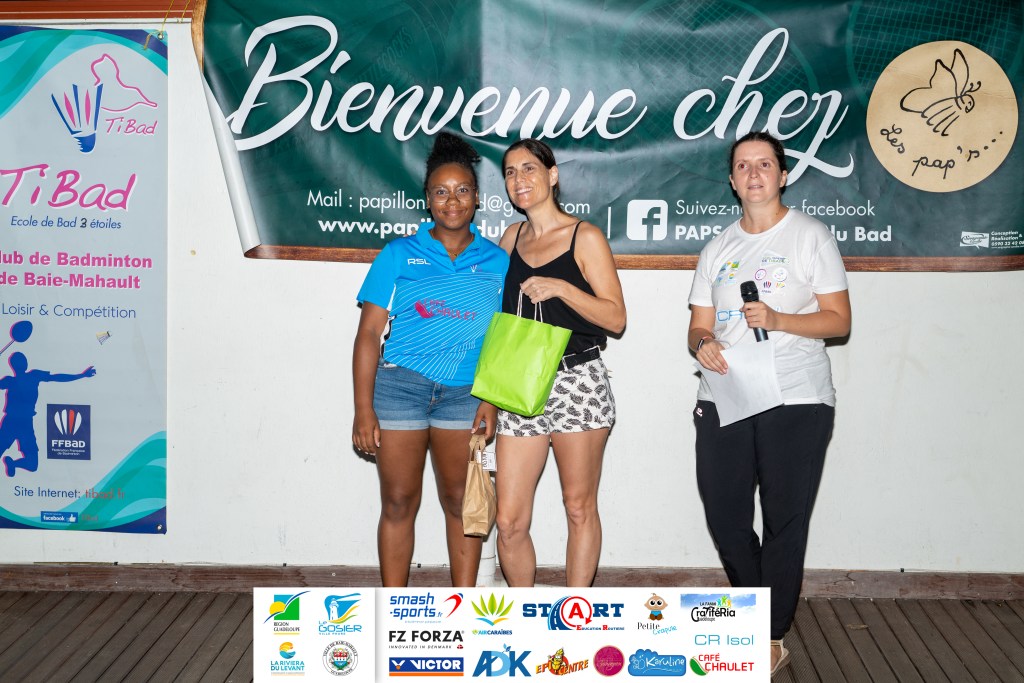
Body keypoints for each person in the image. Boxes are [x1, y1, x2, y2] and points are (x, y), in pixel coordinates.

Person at [687, 131, 851, 678]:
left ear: (783, 175)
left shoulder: (810, 236)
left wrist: (779, 319)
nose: (753, 173)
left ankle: (770, 635)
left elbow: (839, 320)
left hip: (796, 396)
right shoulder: (717, 248)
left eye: (764, 164)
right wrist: (703, 344)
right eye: (742, 166)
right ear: (732, 181)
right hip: (726, 394)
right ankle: (758, 614)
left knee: (784, 519)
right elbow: (697, 326)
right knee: (724, 514)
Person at [351, 132, 509, 587]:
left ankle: (464, 609)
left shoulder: (498, 261)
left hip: (465, 395)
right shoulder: (398, 254)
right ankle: (392, 610)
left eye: (462, 191)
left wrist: (491, 399)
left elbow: (502, 339)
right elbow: (368, 335)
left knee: (460, 502)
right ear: (427, 199)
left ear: (476, 198)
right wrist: (363, 409)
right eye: (441, 192)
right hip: (400, 389)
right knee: (399, 502)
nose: (452, 201)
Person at [494, 138, 626, 587]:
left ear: (552, 175)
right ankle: (521, 611)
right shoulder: (510, 238)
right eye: (510, 172)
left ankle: (576, 612)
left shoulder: (584, 236)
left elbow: (616, 318)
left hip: (577, 381)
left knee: (578, 506)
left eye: (529, 168)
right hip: (518, 383)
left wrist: (562, 288)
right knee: (508, 521)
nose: (519, 179)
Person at [1, 351, 96, 477]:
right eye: (22, 361)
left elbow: (57, 377)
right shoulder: (11, 380)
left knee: (32, 465)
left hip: (24, 423)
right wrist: (82, 375)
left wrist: (81, 375)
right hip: (12, 422)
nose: (24, 363)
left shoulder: (32, 376)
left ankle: (12, 464)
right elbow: (57, 377)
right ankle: (12, 464)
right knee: (31, 464)